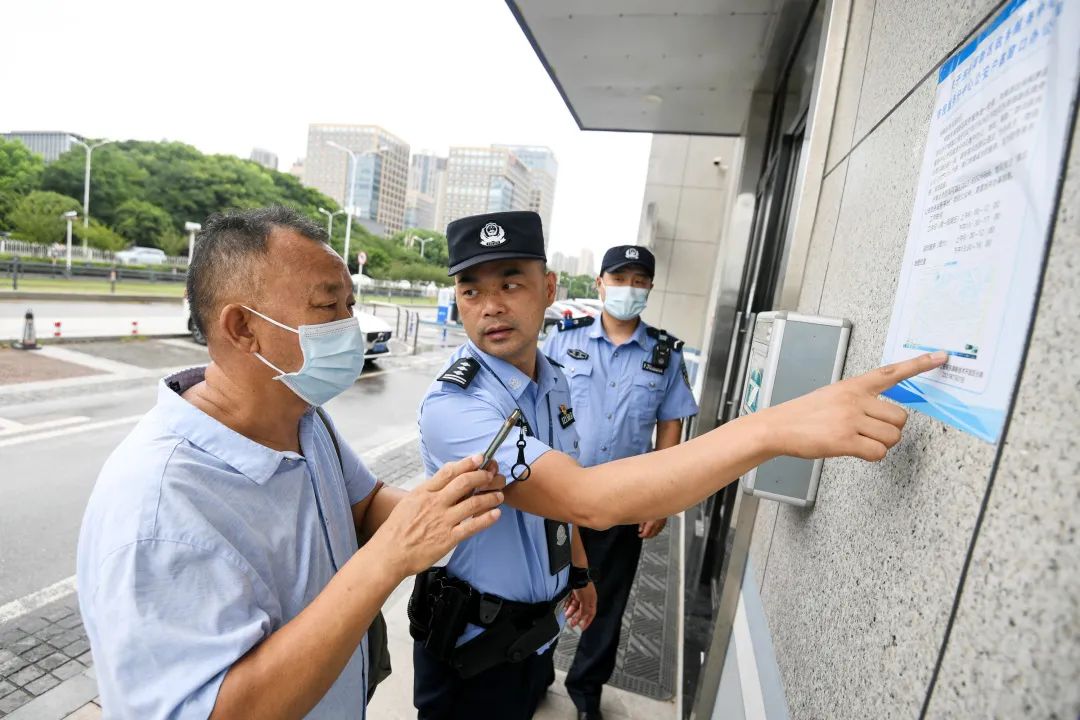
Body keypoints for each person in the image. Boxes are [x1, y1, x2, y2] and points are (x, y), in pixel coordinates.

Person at [411, 210, 945, 720]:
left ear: (548, 289)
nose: (491, 306)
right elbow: (584, 498)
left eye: (510, 284)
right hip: (472, 651)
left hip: (532, 635)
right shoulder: (456, 406)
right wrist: (773, 428)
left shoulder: (551, 380)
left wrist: (578, 571)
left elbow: (555, 507)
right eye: (471, 290)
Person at [76, 206, 505, 720]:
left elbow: (362, 505)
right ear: (243, 328)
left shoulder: (302, 416)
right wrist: (389, 558)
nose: (350, 327)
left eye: (350, 303)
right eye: (329, 306)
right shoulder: (159, 507)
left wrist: (439, 509)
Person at [543, 244, 696, 720]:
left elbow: (671, 426)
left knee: (607, 602)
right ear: (600, 283)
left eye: (639, 279)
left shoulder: (665, 354)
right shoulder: (560, 341)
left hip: (624, 502)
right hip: (557, 494)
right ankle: (532, 675)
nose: (628, 287)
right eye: (619, 277)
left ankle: (586, 690)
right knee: (541, 591)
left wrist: (662, 499)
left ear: (649, 287)